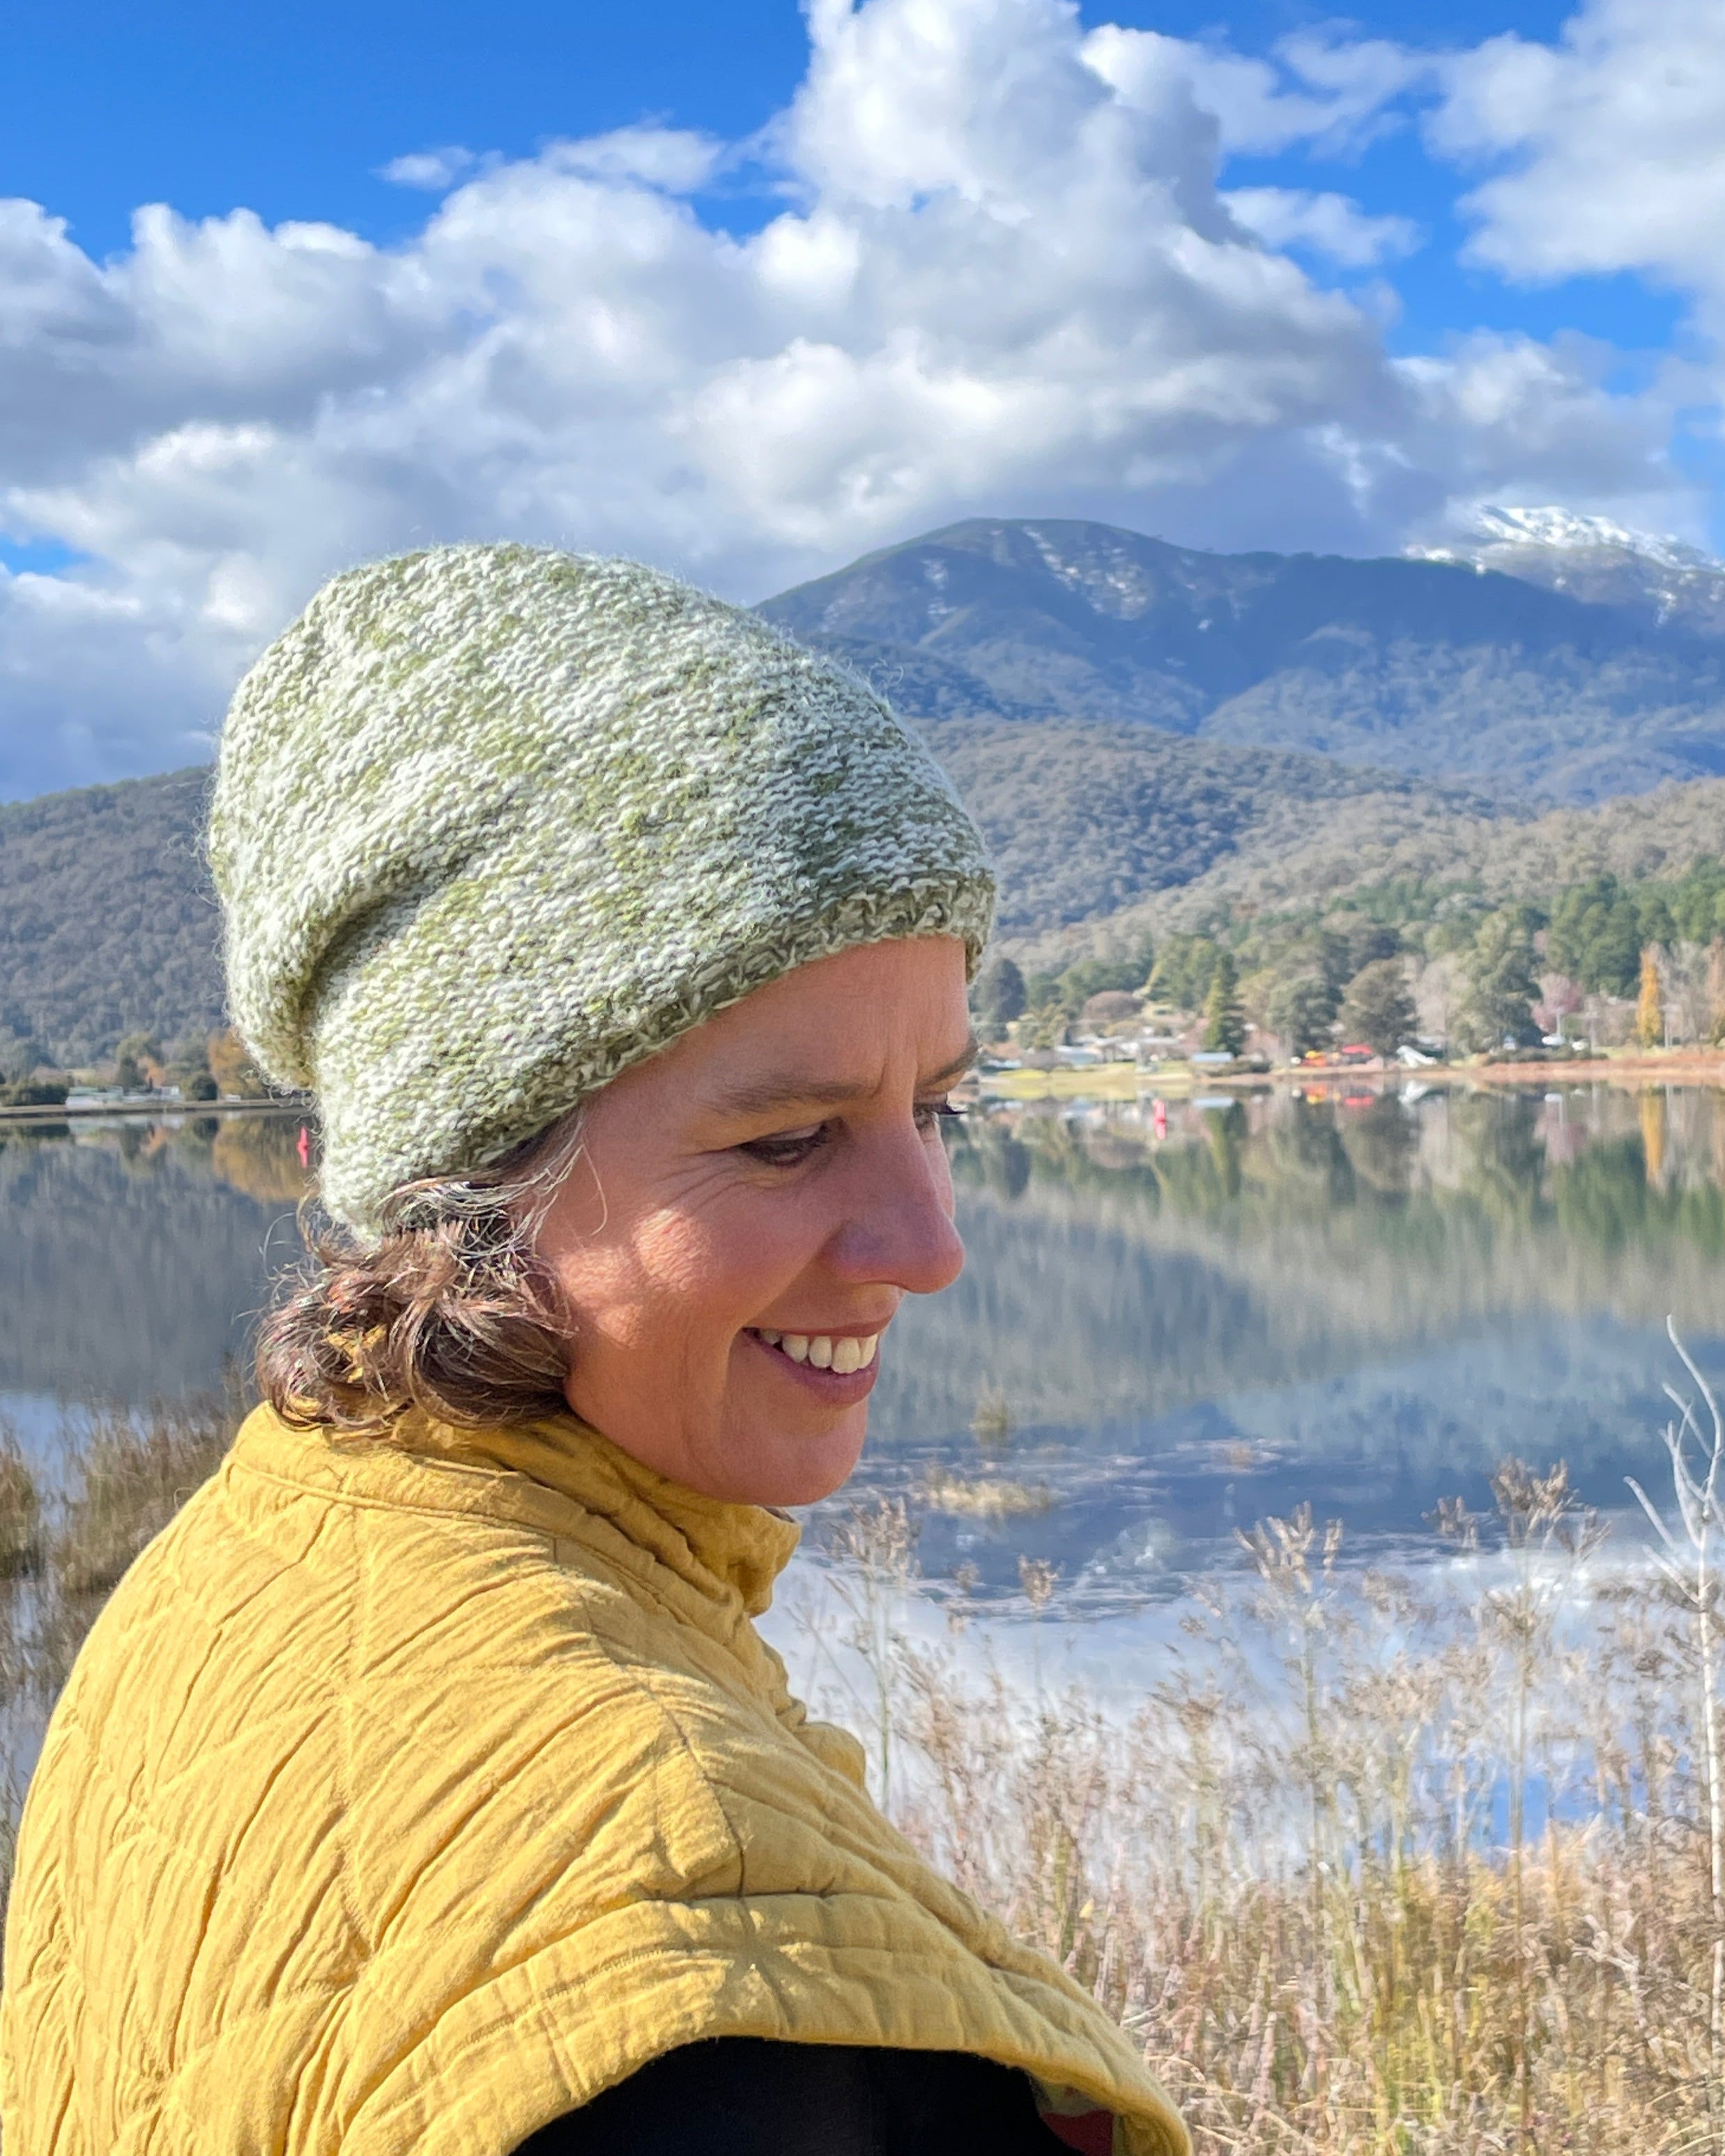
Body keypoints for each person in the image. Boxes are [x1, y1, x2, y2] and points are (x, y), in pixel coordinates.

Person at [0, 546, 1188, 2156]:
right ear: (471, 1180)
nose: (929, 1242)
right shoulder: (687, 1990)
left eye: (937, 1108)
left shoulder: (257, 1549)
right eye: (786, 1138)